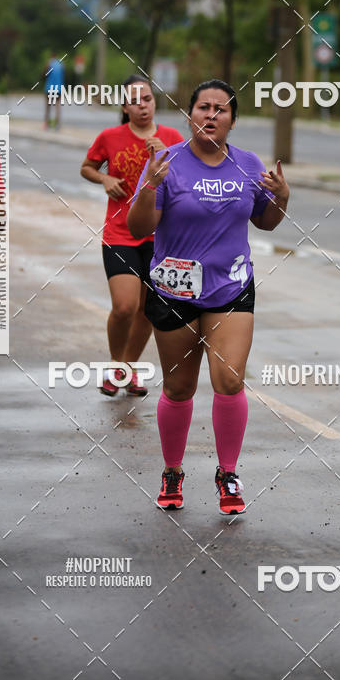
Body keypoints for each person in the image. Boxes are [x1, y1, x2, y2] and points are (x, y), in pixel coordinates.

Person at [127, 79, 289, 515]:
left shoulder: (248, 164)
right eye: (203, 107)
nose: (211, 115)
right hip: (174, 289)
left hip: (231, 287)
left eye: (221, 109)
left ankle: (228, 473)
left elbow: (267, 221)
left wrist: (282, 198)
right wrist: (149, 187)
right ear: (190, 115)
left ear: (232, 120)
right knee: (179, 389)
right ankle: (173, 471)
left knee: (230, 380)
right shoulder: (167, 163)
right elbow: (140, 228)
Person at [80, 75, 182, 397]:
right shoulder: (110, 137)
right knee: (125, 306)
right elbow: (87, 166)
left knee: (148, 309)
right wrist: (104, 179)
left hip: (160, 236)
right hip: (120, 232)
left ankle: (127, 369)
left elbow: (184, 182)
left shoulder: (171, 137)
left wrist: (168, 155)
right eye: (135, 101)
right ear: (124, 107)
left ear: (155, 102)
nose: (143, 106)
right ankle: (114, 363)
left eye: (148, 99)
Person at [43, 54, 64, 129]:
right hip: (58, 88)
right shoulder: (61, 65)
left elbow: (44, 75)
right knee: (57, 106)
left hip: (49, 88)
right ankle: (57, 124)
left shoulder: (49, 63)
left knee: (48, 107)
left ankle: (46, 123)